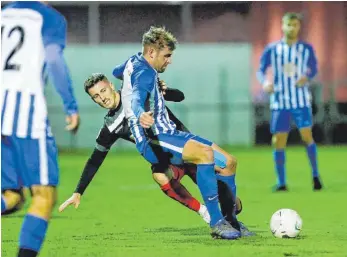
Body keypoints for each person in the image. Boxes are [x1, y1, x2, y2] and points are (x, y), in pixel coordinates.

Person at [58, 74, 245, 228]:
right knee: (160, 175)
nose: (102, 97)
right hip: (168, 162)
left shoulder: (137, 91)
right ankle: (205, 213)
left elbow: (180, 97)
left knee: (231, 194)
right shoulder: (110, 126)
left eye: (103, 90)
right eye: (96, 96)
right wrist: (78, 192)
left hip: (189, 149)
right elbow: (94, 160)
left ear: (112, 86)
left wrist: (164, 91)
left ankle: (230, 214)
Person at [120, 26, 245, 239]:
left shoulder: (133, 62)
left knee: (229, 162)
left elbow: (118, 72)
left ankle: (231, 221)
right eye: (166, 56)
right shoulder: (145, 73)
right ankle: (217, 223)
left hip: (171, 132)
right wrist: (140, 113)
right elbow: (136, 98)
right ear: (151, 52)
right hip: (153, 138)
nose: (169, 60)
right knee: (205, 154)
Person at [1, 2, 80, 256]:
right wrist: (70, 105)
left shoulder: (4, 14)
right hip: (25, 113)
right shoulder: (48, 18)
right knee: (44, 194)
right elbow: (54, 59)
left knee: (13, 196)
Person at [256, 12, 323, 191]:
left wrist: (306, 76)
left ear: (299, 27)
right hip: (279, 101)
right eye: (288, 24)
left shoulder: (305, 48)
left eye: (295, 25)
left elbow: (314, 68)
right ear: (282, 26)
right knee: (278, 139)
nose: (291, 28)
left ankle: (316, 177)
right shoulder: (272, 49)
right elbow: (261, 70)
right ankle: (281, 182)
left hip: (300, 101)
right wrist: (265, 82)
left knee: (307, 136)